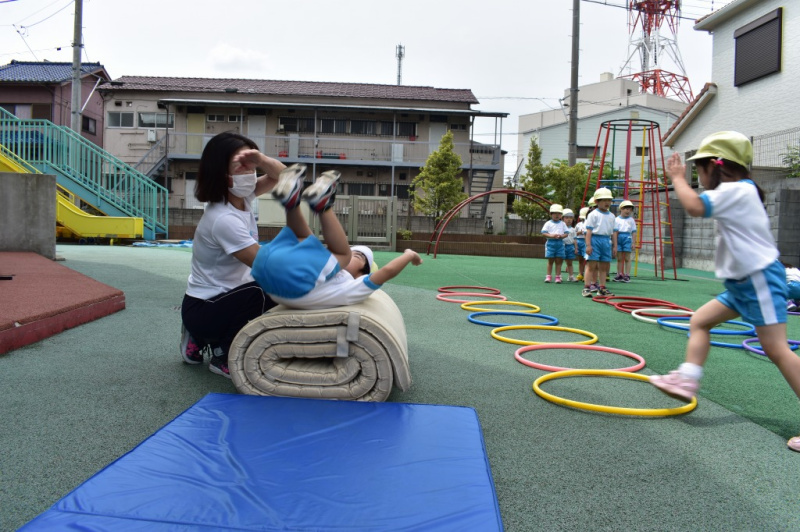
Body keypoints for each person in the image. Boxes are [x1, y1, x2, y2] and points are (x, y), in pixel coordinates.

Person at [648, 131, 800, 452]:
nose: (697, 176)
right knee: (700, 321)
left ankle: (688, 378)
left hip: (759, 280)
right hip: (742, 285)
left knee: (777, 350)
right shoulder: (739, 192)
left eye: (697, 170)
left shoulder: (738, 190)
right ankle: (688, 378)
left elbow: (693, 207)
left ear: (715, 166)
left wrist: (677, 179)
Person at [180, 132, 285, 378]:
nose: (250, 171)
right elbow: (265, 265)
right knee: (267, 287)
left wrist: (261, 159)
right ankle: (223, 354)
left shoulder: (243, 197)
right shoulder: (223, 219)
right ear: (221, 173)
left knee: (267, 287)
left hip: (224, 299)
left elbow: (285, 176)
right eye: (241, 165)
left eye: (252, 164)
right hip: (205, 307)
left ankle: (202, 336)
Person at [251, 163, 422, 310]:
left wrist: (409, 254)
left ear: (361, 274)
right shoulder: (323, 270)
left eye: (358, 256)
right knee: (306, 239)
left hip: (278, 278)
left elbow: (387, 271)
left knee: (342, 255)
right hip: (270, 271)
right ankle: (291, 204)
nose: (352, 254)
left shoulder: (353, 285)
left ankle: (320, 206)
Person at [582, 188, 616, 297]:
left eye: (609, 200)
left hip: (606, 241)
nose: (607, 202)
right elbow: (588, 231)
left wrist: (615, 246)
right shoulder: (593, 214)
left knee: (604, 267)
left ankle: (602, 288)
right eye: (604, 200)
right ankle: (586, 288)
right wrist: (588, 245)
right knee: (591, 265)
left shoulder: (612, 216)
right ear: (597, 201)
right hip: (595, 240)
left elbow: (613, 232)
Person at [541, 204, 567, 283]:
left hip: (560, 244)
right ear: (551, 214)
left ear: (561, 215)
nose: (557, 215)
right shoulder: (548, 223)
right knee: (550, 261)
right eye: (555, 213)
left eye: (559, 213)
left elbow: (566, 233)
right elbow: (544, 233)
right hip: (550, 243)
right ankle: (548, 276)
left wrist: (561, 236)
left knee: (559, 261)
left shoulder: (563, 224)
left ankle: (558, 276)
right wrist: (552, 236)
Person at [613, 200, 637, 282]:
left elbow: (634, 232)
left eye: (630, 209)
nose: (628, 211)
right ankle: (619, 274)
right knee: (619, 258)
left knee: (627, 257)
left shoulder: (631, 220)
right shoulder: (616, 219)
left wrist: (633, 243)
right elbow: (615, 231)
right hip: (619, 237)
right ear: (621, 209)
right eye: (626, 209)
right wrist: (615, 243)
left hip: (627, 238)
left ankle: (627, 275)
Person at [561, 208, 579, 282]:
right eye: (567, 218)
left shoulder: (573, 229)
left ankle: (571, 276)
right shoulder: (560, 228)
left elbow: (575, 239)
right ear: (563, 218)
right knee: (560, 262)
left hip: (570, 247)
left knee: (570, 262)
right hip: (562, 246)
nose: (569, 220)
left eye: (571, 218)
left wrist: (576, 248)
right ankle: (559, 276)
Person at [575, 206, 589, 282]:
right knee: (580, 259)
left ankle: (587, 275)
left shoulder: (589, 224)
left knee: (586, 259)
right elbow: (574, 233)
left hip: (585, 241)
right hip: (579, 241)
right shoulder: (578, 224)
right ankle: (580, 273)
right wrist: (579, 232)